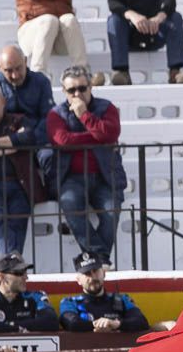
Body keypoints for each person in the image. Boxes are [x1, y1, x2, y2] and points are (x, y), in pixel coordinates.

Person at [46, 65, 126, 269]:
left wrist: (84, 115)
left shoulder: (106, 108)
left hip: (104, 175)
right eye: (71, 90)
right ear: (64, 92)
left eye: (82, 88)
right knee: (71, 206)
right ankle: (101, 260)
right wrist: (97, 136)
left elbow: (111, 134)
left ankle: (95, 262)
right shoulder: (56, 114)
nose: (77, 94)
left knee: (111, 210)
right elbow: (62, 140)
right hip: (71, 178)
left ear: (91, 87)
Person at [0, 0, 103, 84]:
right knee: (48, 20)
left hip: (60, 40)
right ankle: (37, 76)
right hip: (32, 36)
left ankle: (83, 74)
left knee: (69, 19)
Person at [106, 0, 183, 86]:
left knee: (175, 17)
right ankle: (122, 72)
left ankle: (175, 72)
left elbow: (170, 0)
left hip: (155, 32)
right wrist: (133, 16)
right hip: (129, 35)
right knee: (114, 21)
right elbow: (113, 4)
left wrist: (158, 18)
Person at [0, 88, 43, 255]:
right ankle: (13, 262)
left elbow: (29, 138)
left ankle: (11, 264)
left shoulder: (18, 120)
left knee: (18, 219)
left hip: (19, 183)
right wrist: (14, 145)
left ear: (4, 103)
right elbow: (20, 141)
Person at [59, 249, 148, 332]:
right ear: (78, 280)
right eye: (87, 273)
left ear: (104, 273)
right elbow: (71, 323)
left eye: (96, 271)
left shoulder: (122, 299)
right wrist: (98, 325)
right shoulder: (70, 303)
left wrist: (116, 324)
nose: (93, 277)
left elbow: (141, 321)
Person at [0, 45, 53, 157]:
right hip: (3, 138)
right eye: (8, 70)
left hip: (34, 139)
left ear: (25, 61)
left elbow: (48, 117)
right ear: (0, 67)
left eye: (18, 68)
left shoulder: (41, 82)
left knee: (48, 155)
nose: (15, 75)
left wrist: (29, 139)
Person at [0, 252, 57, 332]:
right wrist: (16, 328)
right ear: (1, 277)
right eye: (19, 273)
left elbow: (51, 320)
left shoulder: (35, 297)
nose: (26, 277)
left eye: (25, 272)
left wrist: (13, 325)